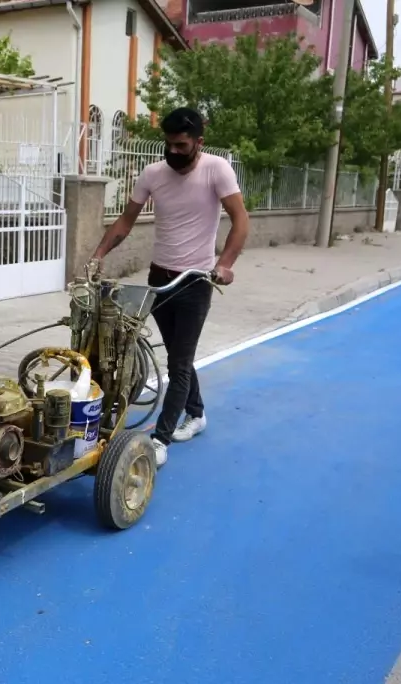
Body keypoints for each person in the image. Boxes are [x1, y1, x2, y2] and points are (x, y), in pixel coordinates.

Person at [88, 107, 249, 467]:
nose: (174, 152)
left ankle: (160, 440)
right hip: (159, 280)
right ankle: (197, 412)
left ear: (199, 143)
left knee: (178, 362)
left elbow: (241, 221)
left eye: (182, 145)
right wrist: (98, 254)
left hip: (195, 281)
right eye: (169, 145)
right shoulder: (153, 174)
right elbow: (126, 221)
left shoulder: (216, 169)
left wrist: (225, 265)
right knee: (179, 352)